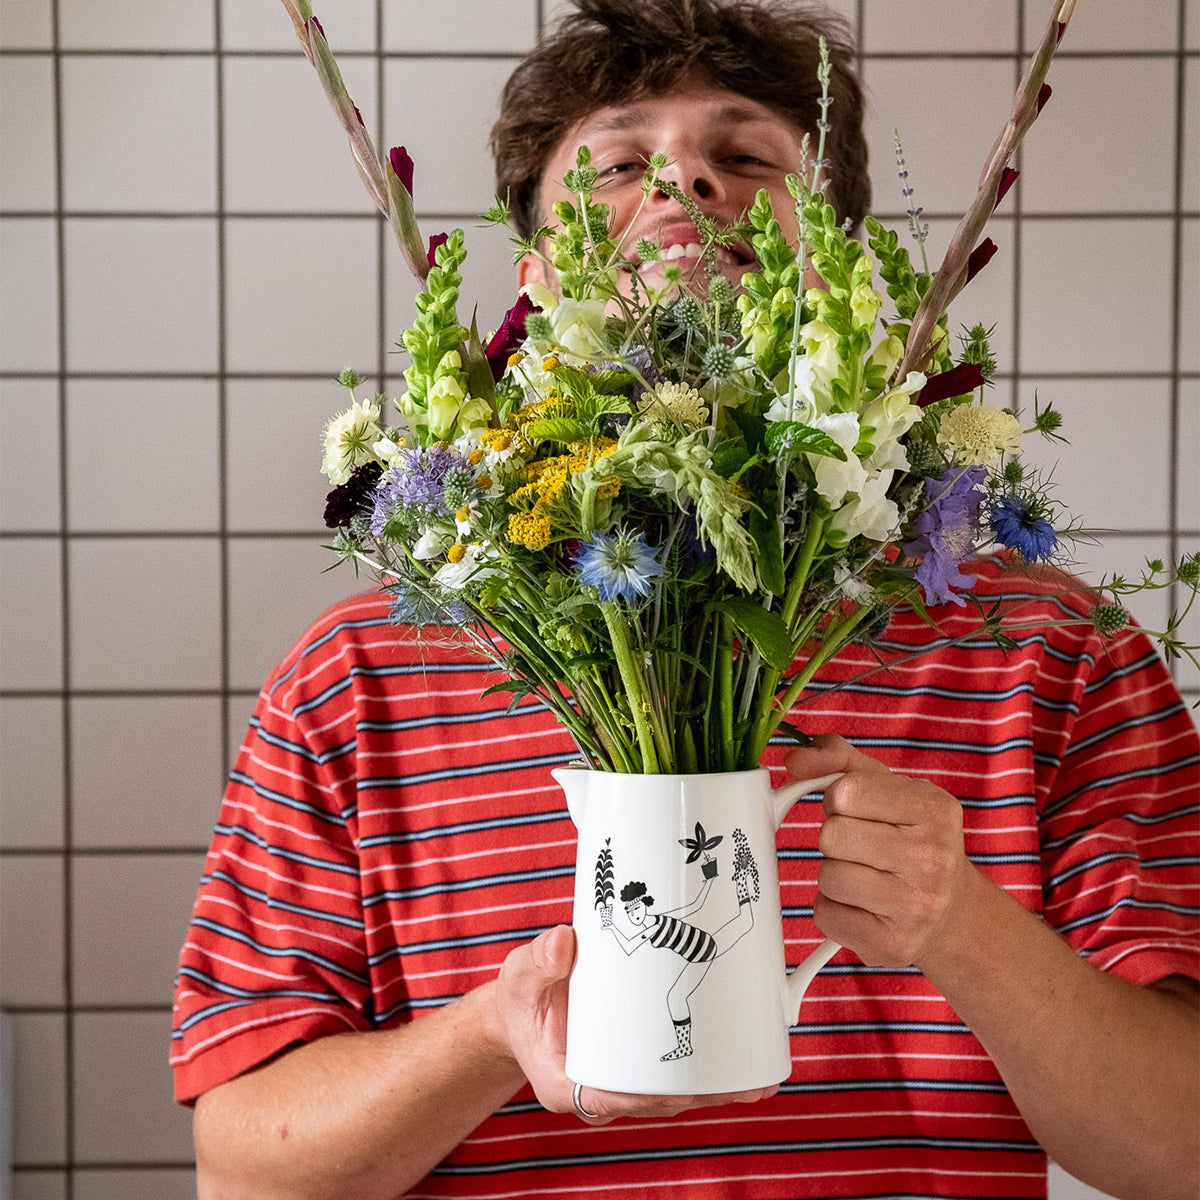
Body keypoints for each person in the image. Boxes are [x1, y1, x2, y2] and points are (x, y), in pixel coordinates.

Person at [173, 3, 1200, 1198]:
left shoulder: (1050, 650)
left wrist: (964, 925)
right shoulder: (354, 678)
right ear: (533, 281)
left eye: (747, 156)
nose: (684, 184)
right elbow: (245, 1176)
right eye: (618, 164)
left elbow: (1180, 1153)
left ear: (842, 273)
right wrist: (487, 1036)